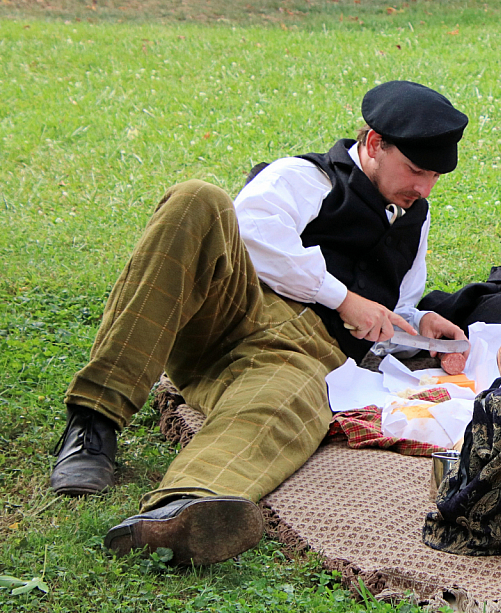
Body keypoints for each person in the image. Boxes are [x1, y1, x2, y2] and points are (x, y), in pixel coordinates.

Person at [50, 80, 470, 565]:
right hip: (233, 310)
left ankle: (186, 508)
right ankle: (93, 423)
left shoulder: (417, 215)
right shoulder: (307, 178)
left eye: (435, 175)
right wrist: (342, 298)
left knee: (289, 405)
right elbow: (251, 232)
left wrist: (420, 322)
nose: (424, 187)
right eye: (416, 169)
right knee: (196, 199)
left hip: (302, 356)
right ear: (374, 144)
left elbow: (397, 302)